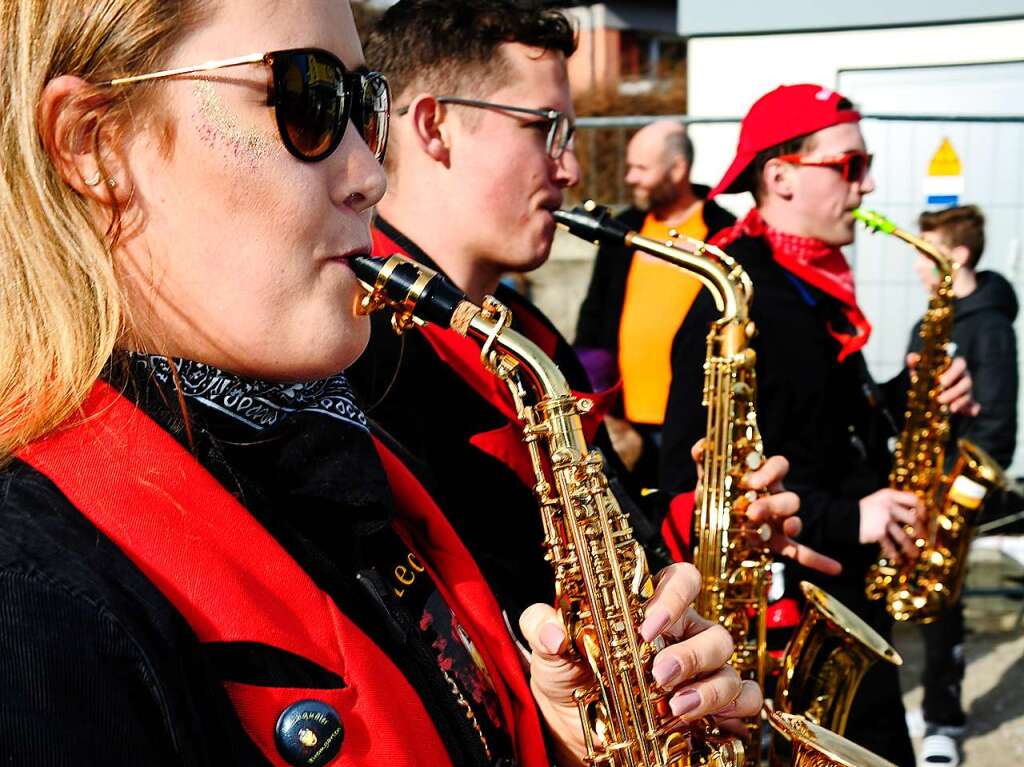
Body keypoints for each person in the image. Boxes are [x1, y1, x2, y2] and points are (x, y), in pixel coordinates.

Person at [0, 1, 760, 764]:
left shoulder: (331, 443)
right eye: (308, 100)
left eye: (366, 107)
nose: (370, 172)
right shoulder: (34, 597)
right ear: (94, 144)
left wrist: (566, 742)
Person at [349, 0, 832, 648]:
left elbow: (612, 537)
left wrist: (707, 531)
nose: (571, 169)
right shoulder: (353, 354)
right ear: (435, 127)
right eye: (545, 129)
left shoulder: (530, 335)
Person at [658, 84, 978, 767]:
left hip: (850, 583)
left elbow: (821, 422)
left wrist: (909, 393)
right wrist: (846, 516)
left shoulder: (811, 278)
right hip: (800, 600)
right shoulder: (738, 300)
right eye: (849, 166)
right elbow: (700, 481)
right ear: (780, 176)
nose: (866, 186)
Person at [910, 204, 1019, 767]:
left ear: (956, 255)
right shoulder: (931, 321)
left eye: (925, 253)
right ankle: (933, 706)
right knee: (925, 606)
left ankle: (944, 724)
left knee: (942, 607)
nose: (916, 266)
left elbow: (999, 424)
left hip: (958, 488)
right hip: (923, 485)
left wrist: (956, 488)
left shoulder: (991, 326)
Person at [575, 120, 735, 484]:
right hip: (625, 425)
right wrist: (600, 410)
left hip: (697, 428)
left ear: (677, 169)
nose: (630, 178)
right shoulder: (623, 229)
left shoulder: (723, 233)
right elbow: (593, 319)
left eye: (640, 168)